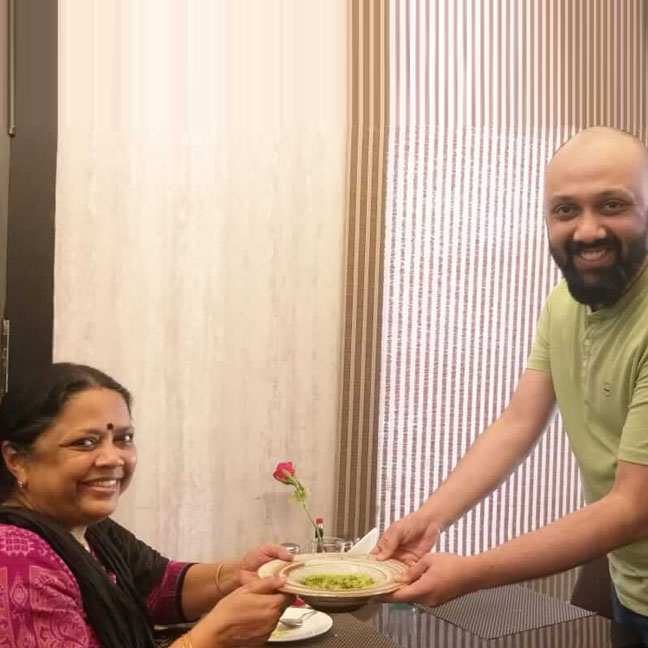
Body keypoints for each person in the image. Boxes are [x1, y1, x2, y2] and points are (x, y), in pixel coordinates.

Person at [373, 127, 648, 643]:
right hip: (629, 585)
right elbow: (517, 424)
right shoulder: (563, 305)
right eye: (566, 211)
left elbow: (632, 509)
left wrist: (472, 573)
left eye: (612, 205)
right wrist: (431, 518)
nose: (587, 231)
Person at [0, 362, 294, 648]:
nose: (113, 458)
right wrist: (213, 639)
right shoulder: (15, 559)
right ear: (17, 460)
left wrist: (240, 573)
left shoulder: (89, 530)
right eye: (86, 442)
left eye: (123, 439)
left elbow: (158, 586)